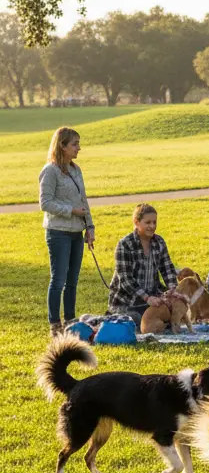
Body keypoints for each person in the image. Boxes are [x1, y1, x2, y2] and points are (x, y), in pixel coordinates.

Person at [39, 126, 95, 336]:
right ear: (62, 146)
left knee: (73, 280)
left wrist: (90, 227)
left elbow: (83, 200)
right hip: (58, 232)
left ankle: (70, 322)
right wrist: (70, 211)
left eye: (78, 143)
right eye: (75, 144)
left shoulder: (75, 169)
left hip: (77, 232)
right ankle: (55, 324)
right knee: (59, 280)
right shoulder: (50, 170)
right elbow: (45, 203)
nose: (79, 148)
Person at [108, 203, 179, 328]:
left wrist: (173, 290)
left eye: (154, 222)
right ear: (136, 222)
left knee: (174, 313)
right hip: (127, 302)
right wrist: (147, 298)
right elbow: (126, 280)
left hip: (153, 299)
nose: (152, 226)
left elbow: (167, 269)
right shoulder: (125, 244)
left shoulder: (159, 242)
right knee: (139, 319)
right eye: (148, 223)